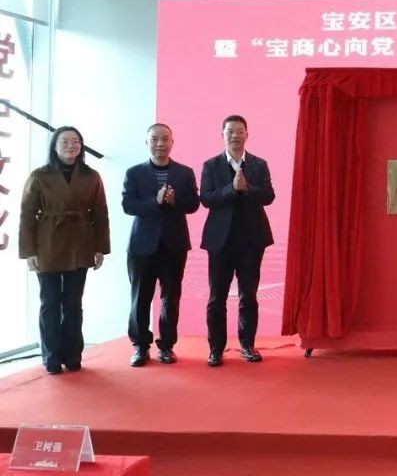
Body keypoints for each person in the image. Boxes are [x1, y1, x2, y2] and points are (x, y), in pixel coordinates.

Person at [18, 126, 110, 375]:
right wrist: (29, 252)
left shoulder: (91, 176)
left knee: (73, 303)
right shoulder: (40, 175)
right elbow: (27, 215)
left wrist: (100, 248)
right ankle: (51, 355)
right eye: (65, 141)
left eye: (76, 141)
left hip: (81, 242)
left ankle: (72, 354)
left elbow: (100, 214)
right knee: (50, 302)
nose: (71, 145)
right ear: (54, 146)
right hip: (47, 242)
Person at [122, 123, 199, 367]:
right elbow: (128, 205)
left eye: (165, 139)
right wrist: (154, 202)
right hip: (142, 246)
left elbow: (193, 204)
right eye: (154, 139)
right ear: (147, 143)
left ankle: (166, 346)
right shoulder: (134, 173)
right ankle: (140, 346)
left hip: (174, 245)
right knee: (140, 298)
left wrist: (175, 201)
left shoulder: (184, 173)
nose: (160, 144)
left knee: (171, 298)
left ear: (172, 142)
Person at [200, 115, 275, 367]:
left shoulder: (259, 165)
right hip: (220, 241)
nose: (235, 135)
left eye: (239, 131)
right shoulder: (210, 165)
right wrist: (231, 189)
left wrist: (247, 188)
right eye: (230, 131)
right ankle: (216, 348)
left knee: (248, 296)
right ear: (222, 135)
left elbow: (269, 196)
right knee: (216, 298)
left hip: (252, 241)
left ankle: (247, 345)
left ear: (247, 135)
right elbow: (206, 198)